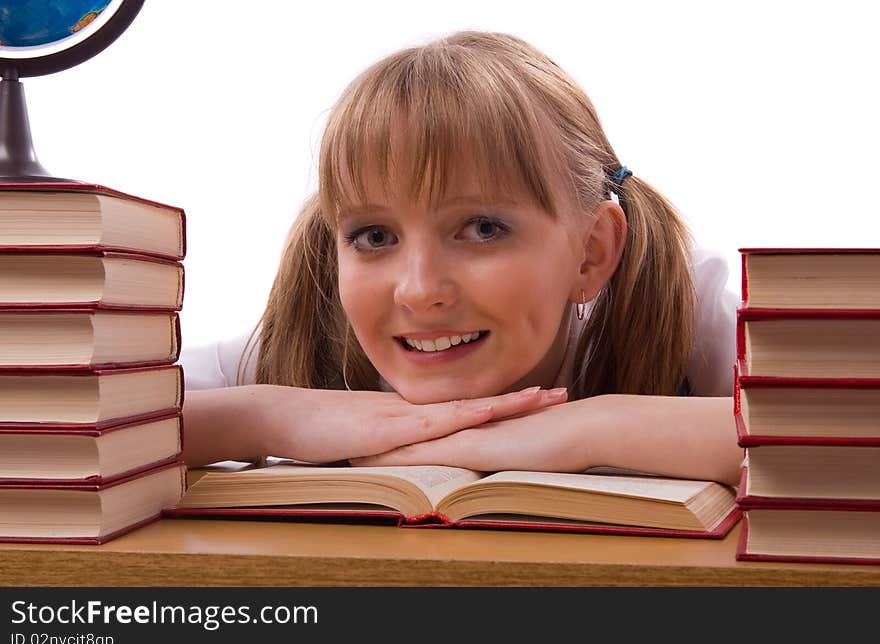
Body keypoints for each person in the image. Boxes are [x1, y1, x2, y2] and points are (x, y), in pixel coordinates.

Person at [180, 30, 743, 485]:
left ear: (590, 254)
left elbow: (828, 440)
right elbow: (94, 422)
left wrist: (595, 427)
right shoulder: (307, 338)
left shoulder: (686, 310)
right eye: (374, 237)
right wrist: (259, 418)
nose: (419, 290)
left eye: (482, 228)